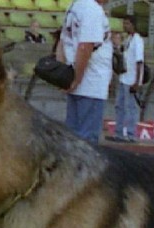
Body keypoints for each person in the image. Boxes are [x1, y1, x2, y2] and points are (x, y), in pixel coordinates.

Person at [61, 0, 112, 144]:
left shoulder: (74, 7)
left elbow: (62, 42)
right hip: (91, 83)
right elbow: (86, 46)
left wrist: (65, 76)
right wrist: (77, 78)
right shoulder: (92, 9)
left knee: (72, 137)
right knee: (87, 142)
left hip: (79, 82)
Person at [112, 15, 143, 143]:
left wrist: (137, 81)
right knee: (120, 106)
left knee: (131, 108)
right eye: (124, 24)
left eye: (127, 24)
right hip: (123, 78)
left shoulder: (137, 40)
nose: (125, 26)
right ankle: (119, 133)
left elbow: (139, 62)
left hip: (131, 80)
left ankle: (131, 134)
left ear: (133, 25)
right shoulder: (128, 39)